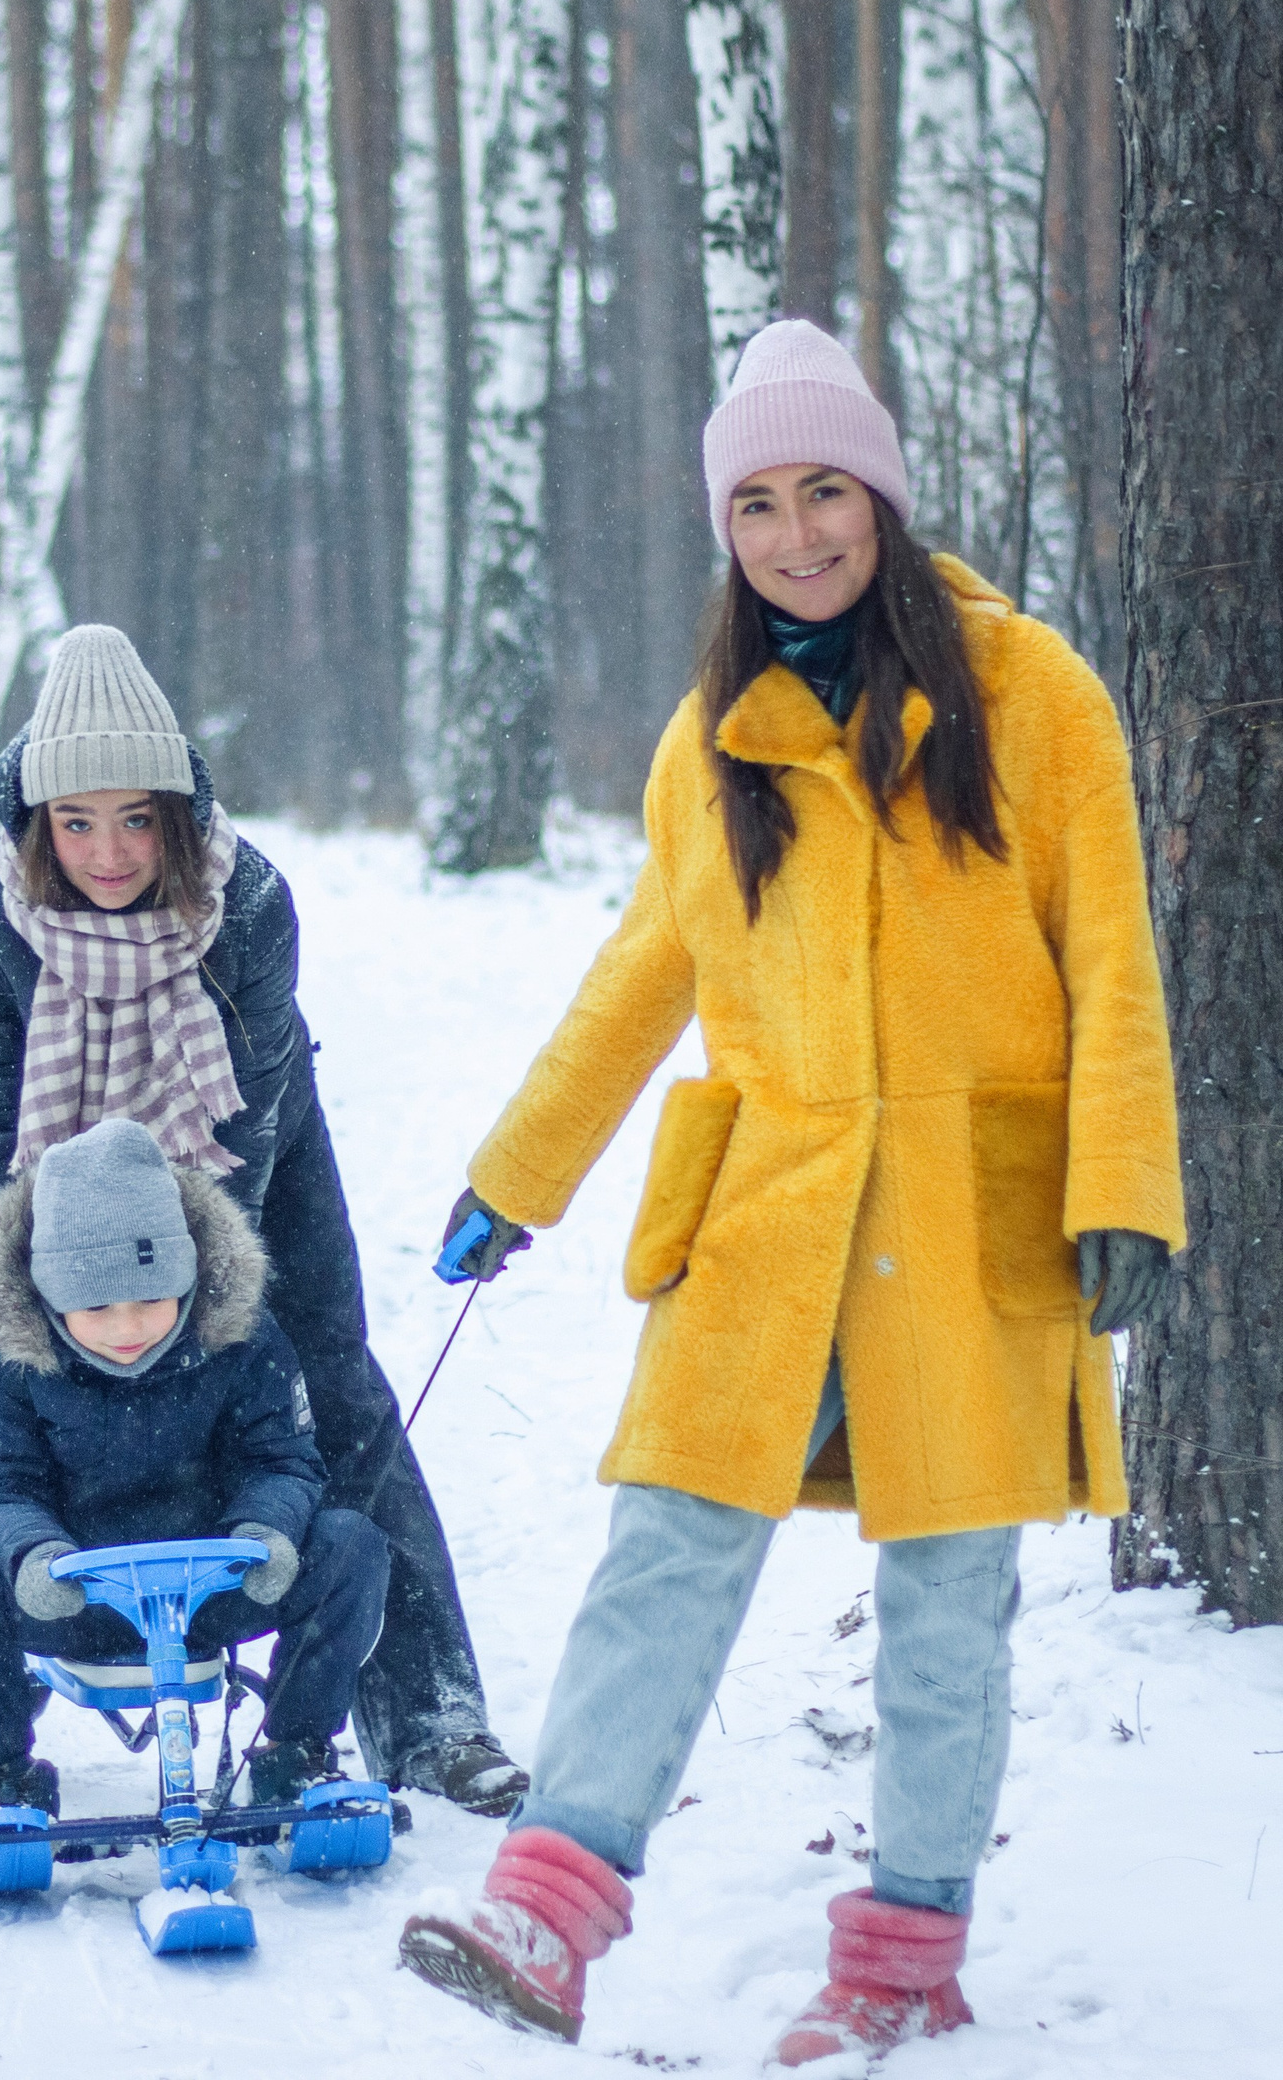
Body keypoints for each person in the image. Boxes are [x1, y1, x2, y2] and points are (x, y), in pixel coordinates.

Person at [398, 321, 1184, 2065]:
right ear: (725, 529)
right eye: (756, 502)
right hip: (764, 1216)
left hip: (970, 1218)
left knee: (943, 1602)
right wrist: (514, 1179)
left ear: (884, 500)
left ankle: (902, 1966)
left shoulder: (1033, 695)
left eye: (826, 490)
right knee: (664, 1549)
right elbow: (637, 979)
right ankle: (546, 1908)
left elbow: (1115, 953)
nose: (797, 533)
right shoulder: (714, 743)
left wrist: (1122, 1182)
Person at [0, 624, 523, 1815]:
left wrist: (188, 1334)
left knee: (335, 1398)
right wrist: (42, 1305)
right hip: (48, 1171)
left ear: (178, 814)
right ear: (38, 819)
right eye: (78, 821)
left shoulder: (245, 899)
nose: (108, 851)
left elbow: (244, 1143)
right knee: (30, 1390)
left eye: (137, 819)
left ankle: (429, 1715)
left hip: (247, 1159)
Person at [0, 1117, 390, 1815]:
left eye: (152, 1300)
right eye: (95, 1306)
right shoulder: (7, 1352)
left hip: (213, 1583)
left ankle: (297, 1752)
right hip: (73, 1591)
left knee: (351, 1544)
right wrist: (34, 1556)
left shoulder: (243, 1334)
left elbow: (280, 1459)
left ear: (187, 1279)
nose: (127, 1328)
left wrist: (265, 1532)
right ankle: (1, 1770)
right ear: (49, 1293)